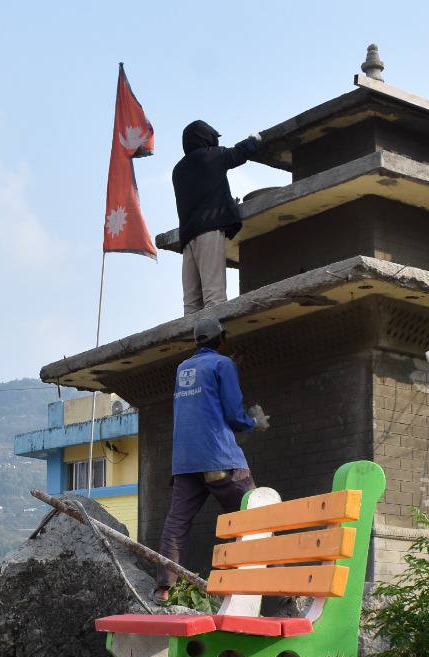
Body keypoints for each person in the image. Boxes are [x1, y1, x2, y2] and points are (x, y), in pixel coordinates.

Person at [156, 317, 267, 602]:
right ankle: (267, 589)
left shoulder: (183, 368)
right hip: (220, 458)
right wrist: (254, 422)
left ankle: (164, 588)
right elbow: (233, 414)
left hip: (185, 463)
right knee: (255, 516)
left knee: (177, 522)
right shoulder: (223, 364)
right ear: (222, 339)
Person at [172, 121, 263, 315]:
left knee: (191, 304)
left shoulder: (177, 170)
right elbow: (240, 153)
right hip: (209, 231)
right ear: (206, 138)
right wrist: (254, 138)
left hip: (187, 240)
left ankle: (195, 334)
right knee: (214, 297)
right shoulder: (211, 156)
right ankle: (215, 333)